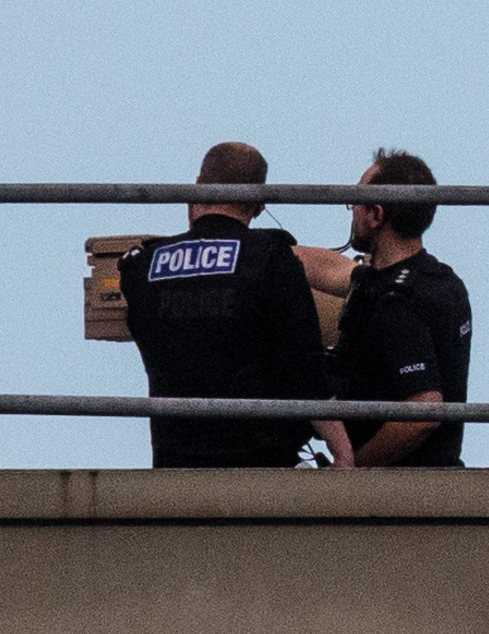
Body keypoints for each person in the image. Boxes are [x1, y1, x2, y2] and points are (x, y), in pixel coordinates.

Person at [115, 140, 344, 470]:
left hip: (174, 464)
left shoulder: (143, 266)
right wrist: (342, 450)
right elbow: (306, 369)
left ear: (196, 188)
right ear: (261, 204)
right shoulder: (271, 258)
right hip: (261, 466)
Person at [327, 148, 476, 467]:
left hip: (397, 490)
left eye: (356, 200)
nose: (351, 209)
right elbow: (332, 268)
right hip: (441, 476)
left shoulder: (396, 303)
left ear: (376, 215)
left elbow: (424, 410)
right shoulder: (441, 280)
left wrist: (352, 466)